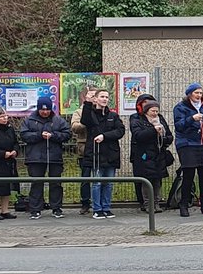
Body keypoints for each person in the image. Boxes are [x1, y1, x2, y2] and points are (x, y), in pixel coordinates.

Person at [173, 83, 203, 217]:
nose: (199, 96)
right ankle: (184, 204)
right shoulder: (180, 107)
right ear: (189, 94)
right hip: (187, 144)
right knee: (188, 175)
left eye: (200, 93)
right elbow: (179, 126)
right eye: (196, 93)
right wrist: (191, 118)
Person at [21, 96, 72, 219]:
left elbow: (67, 134)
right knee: (36, 183)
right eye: (42, 109)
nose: (45, 112)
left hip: (54, 157)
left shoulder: (58, 120)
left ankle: (56, 208)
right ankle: (35, 209)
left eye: (47, 109)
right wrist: (39, 135)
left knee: (55, 183)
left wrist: (53, 136)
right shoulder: (29, 120)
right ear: (38, 109)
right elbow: (24, 135)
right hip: (35, 157)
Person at [81, 89, 125, 219]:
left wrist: (104, 136)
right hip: (96, 153)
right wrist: (87, 103)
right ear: (96, 99)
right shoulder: (91, 113)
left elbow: (120, 131)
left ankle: (106, 207)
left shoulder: (113, 116)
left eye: (106, 97)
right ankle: (97, 209)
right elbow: (84, 120)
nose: (105, 99)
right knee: (97, 182)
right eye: (102, 96)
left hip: (111, 153)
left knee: (109, 183)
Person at [129, 95, 173, 214]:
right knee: (146, 180)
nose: (155, 113)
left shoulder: (161, 119)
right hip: (144, 154)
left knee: (157, 180)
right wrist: (153, 130)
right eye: (152, 111)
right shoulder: (137, 119)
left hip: (158, 154)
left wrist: (163, 136)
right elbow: (138, 136)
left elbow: (169, 136)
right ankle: (147, 203)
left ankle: (157, 202)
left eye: (157, 111)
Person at [71, 88, 96, 216]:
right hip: (84, 148)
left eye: (94, 95)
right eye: (90, 95)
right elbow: (74, 127)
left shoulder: (100, 111)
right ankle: (85, 203)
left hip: (98, 149)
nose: (93, 98)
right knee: (85, 177)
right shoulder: (78, 112)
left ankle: (99, 203)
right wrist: (86, 123)